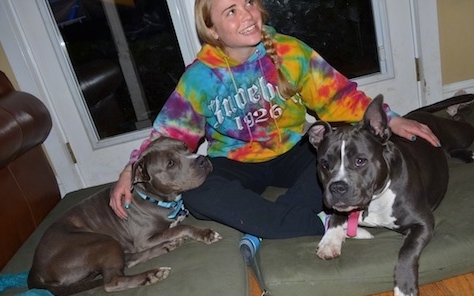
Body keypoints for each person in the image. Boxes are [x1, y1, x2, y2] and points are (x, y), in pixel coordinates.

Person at [110, 0, 439, 245]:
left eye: (249, 3)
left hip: (295, 151)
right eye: (231, 11)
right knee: (196, 196)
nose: (247, 15)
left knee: (331, 170)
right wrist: (130, 169)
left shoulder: (289, 52)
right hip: (235, 160)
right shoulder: (200, 77)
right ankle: (312, 223)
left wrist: (393, 121)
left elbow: (338, 95)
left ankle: (265, 227)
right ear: (211, 30)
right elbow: (168, 132)